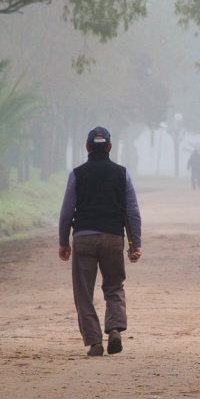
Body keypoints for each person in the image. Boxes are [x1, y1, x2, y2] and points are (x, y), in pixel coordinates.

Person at [58, 126, 142, 357]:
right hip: (113, 238)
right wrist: (135, 244)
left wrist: (63, 241)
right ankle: (114, 328)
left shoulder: (77, 174)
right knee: (114, 286)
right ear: (110, 147)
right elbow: (132, 211)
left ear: (87, 147)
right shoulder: (121, 173)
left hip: (83, 238)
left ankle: (95, 341)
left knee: (83, 292)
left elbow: (66, 212)